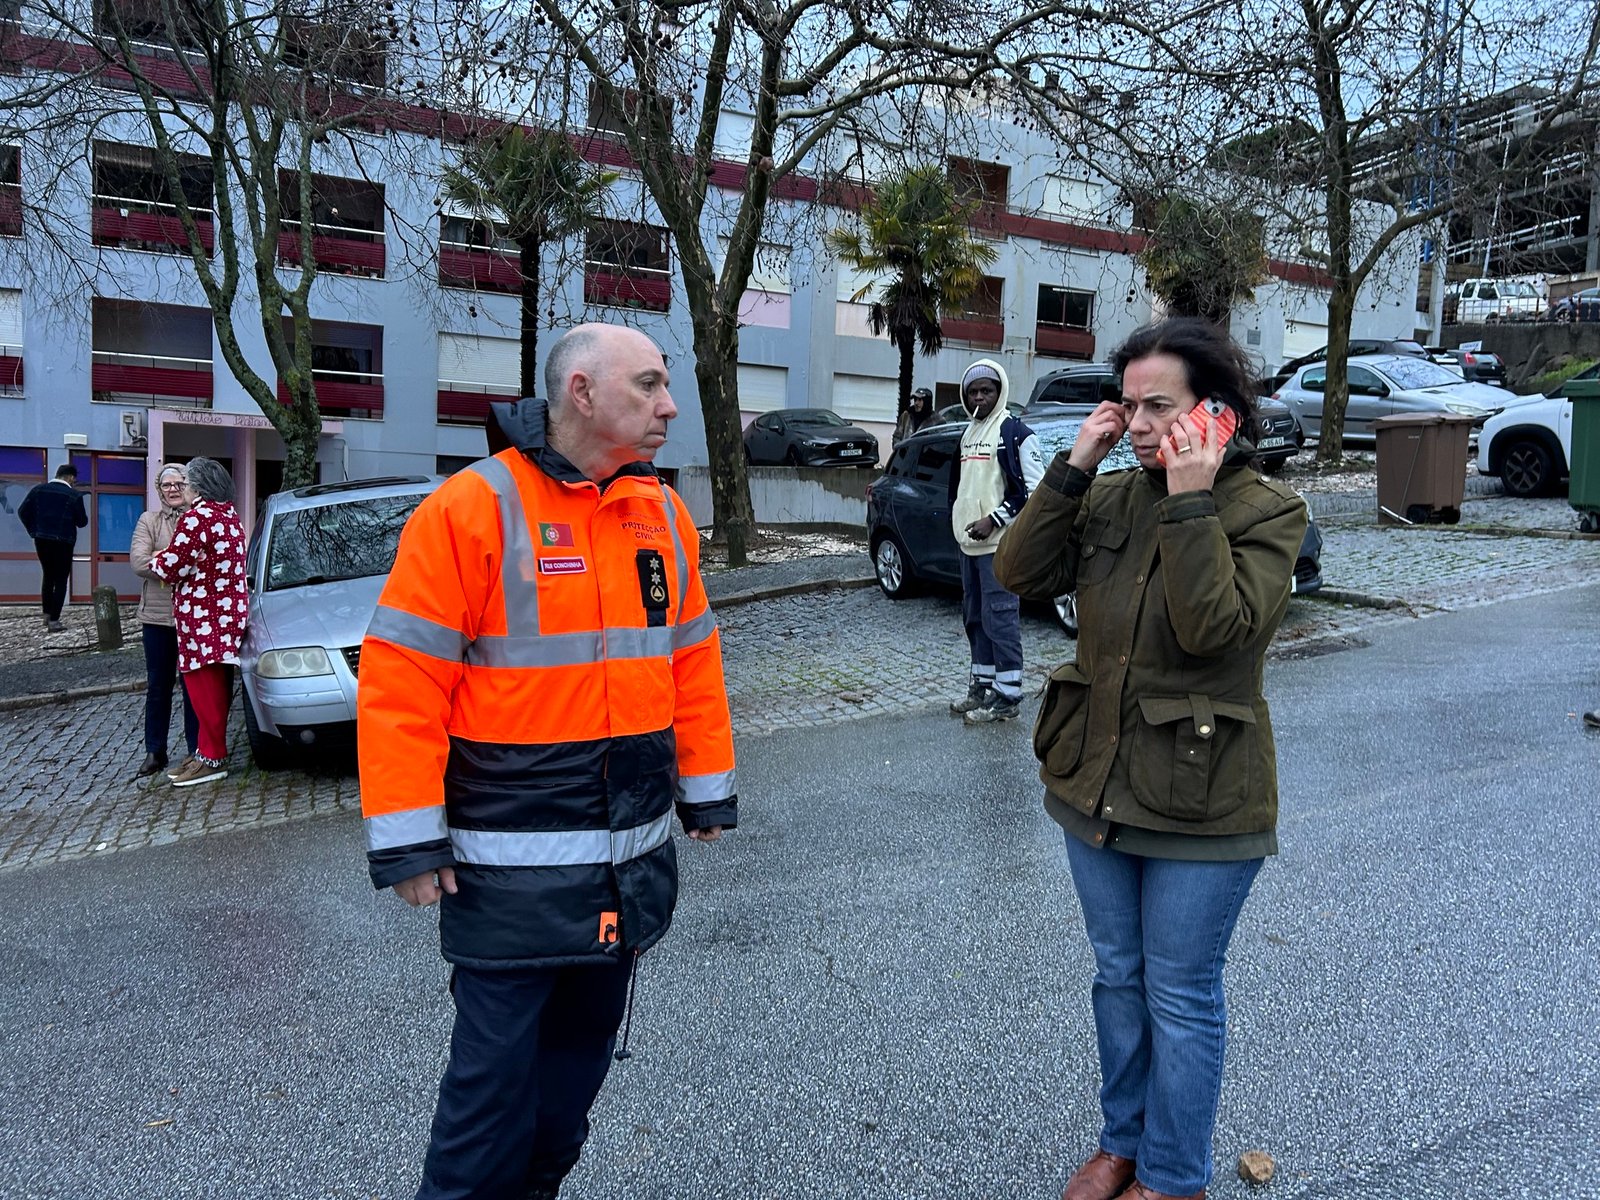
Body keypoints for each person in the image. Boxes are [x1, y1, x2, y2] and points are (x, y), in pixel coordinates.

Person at [358, 323, 738, 1200]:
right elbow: (402, 678)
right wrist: (410, 842)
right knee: (486, 1107)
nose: (669, 405)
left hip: (624, 876)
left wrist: (707, 791)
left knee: (568, 1100)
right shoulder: (472, 508)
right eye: (647, 386)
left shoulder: (660, 514)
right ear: (581, 393)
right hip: (506, 882)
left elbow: (692, 658)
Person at [993, 318, 1308, 1200]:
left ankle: (1172, 1178)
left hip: (1204, 796)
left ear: (1217, 415)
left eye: (1156, 406)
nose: (1135, 422)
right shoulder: (1110, 492)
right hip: (1093, 780)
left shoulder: (1268, 512)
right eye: (1126, 405)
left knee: (1179, 991)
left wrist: (1193, 499)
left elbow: (1216, 631)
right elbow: (1018, 573)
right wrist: (1073, 467)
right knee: (1118, 980)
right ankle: (1120, 1143)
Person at [949, 359, 1044, 724]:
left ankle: (1008, 696)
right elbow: (961, 489)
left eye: (986, 390)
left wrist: (995, 520)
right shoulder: (967, 434)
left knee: (1000, 618)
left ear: (1000, 390)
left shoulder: (1016, 432)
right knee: (974, 618)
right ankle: (982, 686)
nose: (979, 397)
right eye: (973, 391)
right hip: (968, 547)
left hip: (999, 548)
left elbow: (1035, 492)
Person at [149, 457, 248, 788]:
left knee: (202, 687)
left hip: (202, 617)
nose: (184, 489)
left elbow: (171, 565)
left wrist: (156, 560)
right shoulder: (229, 516)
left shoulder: (197, 518)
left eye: (187, 483)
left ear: (199, 486)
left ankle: (213, 756)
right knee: (217, 685)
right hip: (227, 614)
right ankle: (206, 752)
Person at [129, 463, 199, 778]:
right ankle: (155, 751)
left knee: (193, 684)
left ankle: (197, 749)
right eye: (166, 485)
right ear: (160, 490)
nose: (172, 489)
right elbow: (139, 562)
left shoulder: (199, 519)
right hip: (157, 617)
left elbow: (206, 560)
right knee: (158, 686)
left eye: (178, 483)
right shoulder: (149, 520)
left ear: (188, 486)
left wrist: (166, 558)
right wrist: (179, 560)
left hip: (193, 616)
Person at [17, 463, 88, 632]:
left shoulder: (38, 490)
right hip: (64, 541)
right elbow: (82, 522)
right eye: (74, 480)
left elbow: (22, 511)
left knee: (48, 576)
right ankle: (55, 620)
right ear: (70, 477)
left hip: (41, 540)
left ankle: (46, 614)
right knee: (61, 579)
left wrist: (34, 530)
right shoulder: (74, 495)